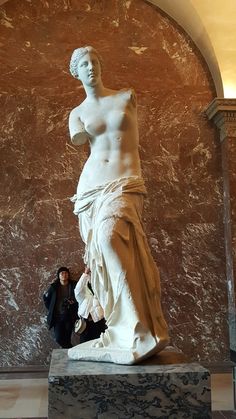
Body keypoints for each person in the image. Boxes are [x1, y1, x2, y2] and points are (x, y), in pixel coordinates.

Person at [68, 46, 169, 364]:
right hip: (91, 191)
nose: (91, 66)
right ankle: (128, 329)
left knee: (111, 239)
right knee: (107, 251)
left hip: (125, 184)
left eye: (95, 61)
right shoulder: (78, 114)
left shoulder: (126, 97)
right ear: (76, 72)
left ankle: (139, 328)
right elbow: (81, 140)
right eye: (84, 64)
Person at [43, 267, 78, 349]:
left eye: (66, 273)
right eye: (62, 273)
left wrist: (74, 303)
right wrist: (51, 309)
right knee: (58, 338)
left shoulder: (74, 285)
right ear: (58, 275)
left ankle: (68, 353)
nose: (64, 275)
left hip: (70, 316)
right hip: (57, 317)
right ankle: (71, 349)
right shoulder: (54, 287)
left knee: (67, 338)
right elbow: (46, 299)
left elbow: (80, 296)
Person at [74, 266, 106, 343]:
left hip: (98, 320)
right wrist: (85, 274)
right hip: (85, 322)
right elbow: (78, 290)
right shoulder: (83, 294)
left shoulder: (101, 283)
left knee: (99, 343)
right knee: (84, 344)